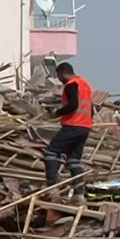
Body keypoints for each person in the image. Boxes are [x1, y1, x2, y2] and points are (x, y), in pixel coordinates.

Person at [44, 62, 93, 204]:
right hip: (85, 126)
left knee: (52, 152)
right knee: (73, 160)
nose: (59, 79)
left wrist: (57, 113)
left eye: (59, 75)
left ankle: (52, 186)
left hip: (73, 124)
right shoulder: (85, 84)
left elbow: (73, 105)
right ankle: (79, 194)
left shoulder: (71, 84)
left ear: (64, 72)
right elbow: (90, 108)